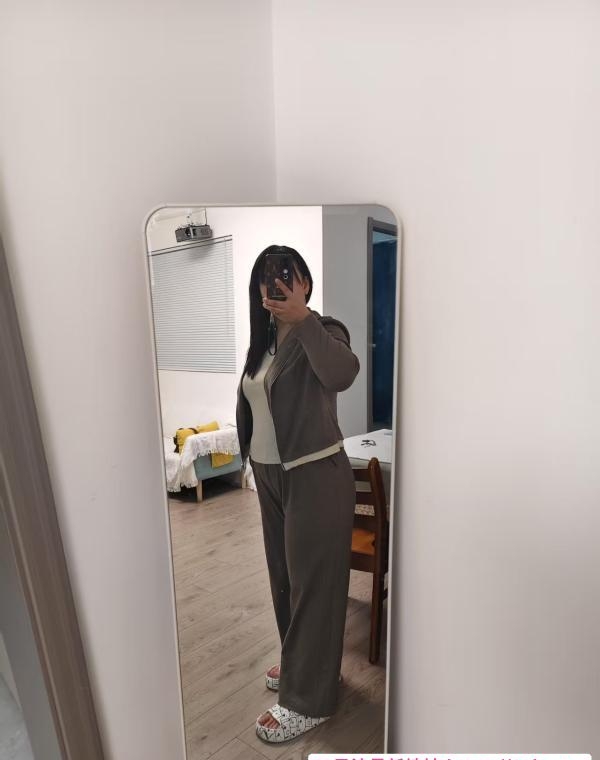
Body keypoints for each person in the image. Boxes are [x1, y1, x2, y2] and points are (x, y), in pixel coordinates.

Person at [235, 244, 360, 743]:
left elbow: (342, 373)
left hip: (315, 474)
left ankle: (310, 700)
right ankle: (303, 666)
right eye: (266, 276)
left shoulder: (325, 330)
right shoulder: (262, 342)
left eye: (287, 273)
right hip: (269, 476)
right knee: (284, 579)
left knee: (314, 584)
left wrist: (304, 318)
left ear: (305, 282)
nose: (277, 283)